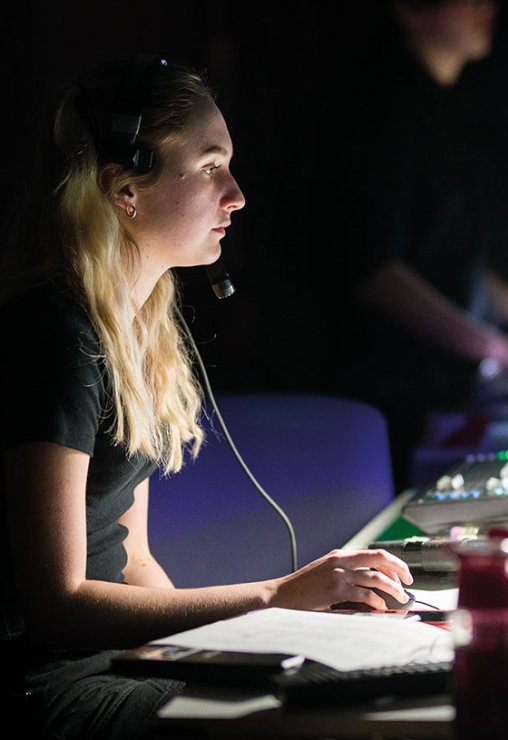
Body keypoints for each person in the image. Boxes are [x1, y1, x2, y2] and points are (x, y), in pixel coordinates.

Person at [0, 54, 414, 739]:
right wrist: (275, 598)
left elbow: (132, 558)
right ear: (124, 188)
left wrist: (222, 655)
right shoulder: (56, 335)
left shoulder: (135, 326)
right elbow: (56, 603)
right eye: (210, 166)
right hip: (52, 692)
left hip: (114, 666)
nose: (237, 194)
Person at [328, 0, 508, 490]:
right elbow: (371, 268)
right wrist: (498, 349)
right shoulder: (383, 110)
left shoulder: (447, 107)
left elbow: (456, 261)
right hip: (396, 396)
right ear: (411, 9)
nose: (487, 7)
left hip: (451, 387)